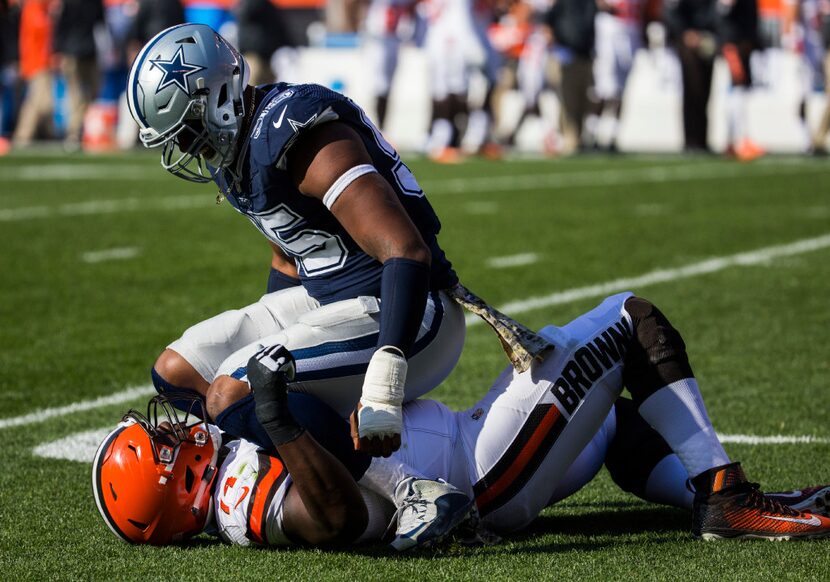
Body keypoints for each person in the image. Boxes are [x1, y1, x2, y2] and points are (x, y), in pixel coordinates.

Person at [93, 292, 830, 548]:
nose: (172, 429)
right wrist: (281, 419)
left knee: (608, 416)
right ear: (169, 483)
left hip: (478, 453)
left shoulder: (220, 467)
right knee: (632, 321)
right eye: (159, 444)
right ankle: (727, 499)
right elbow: (338, 521)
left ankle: (706, 495)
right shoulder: (239, 503)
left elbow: (185, 379)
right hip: (480, 476)